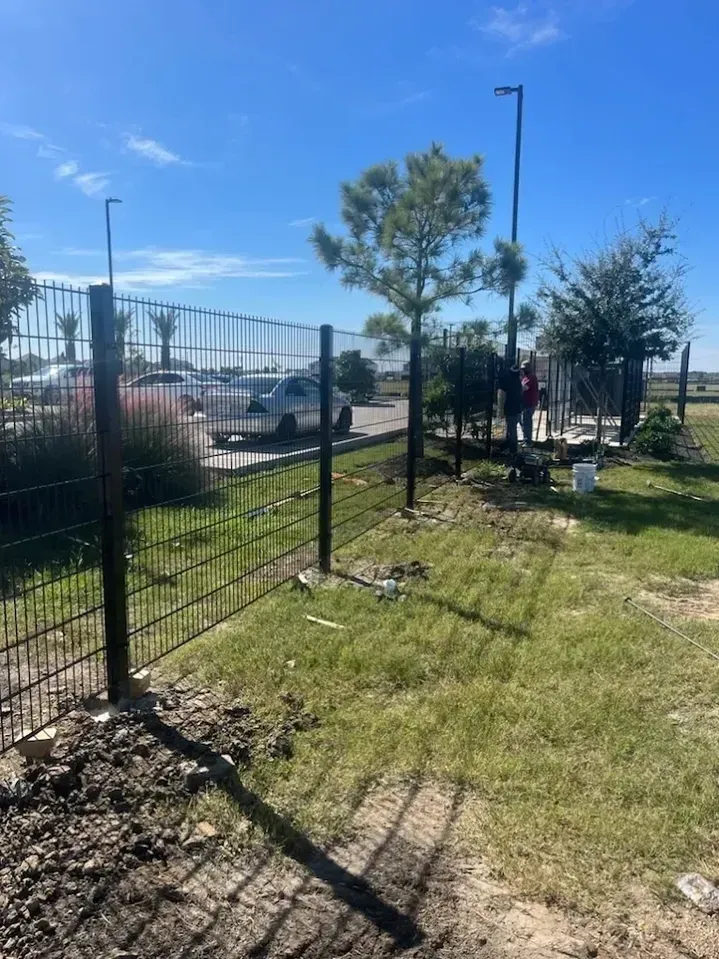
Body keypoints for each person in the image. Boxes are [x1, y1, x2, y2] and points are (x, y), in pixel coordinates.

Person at [499, 362, 523, 453]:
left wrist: (501, 410)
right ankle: (510, 446)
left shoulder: (510, 382)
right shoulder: (518, 383)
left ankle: (513, 449)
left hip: (510, 409)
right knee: (511, 429)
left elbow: (503, 393)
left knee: (512, 430)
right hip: (517, 409)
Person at [520, 360, 540, 445]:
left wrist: (517, 384)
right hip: (525, 403)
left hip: (529, 403)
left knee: (527, 421)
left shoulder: (531, 377)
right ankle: (525, 439)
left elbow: (525, 388)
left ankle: (528, 441)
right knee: (523, 421)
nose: (523, 370)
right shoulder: (525, 377)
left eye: (524, 369)